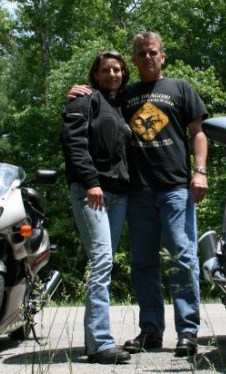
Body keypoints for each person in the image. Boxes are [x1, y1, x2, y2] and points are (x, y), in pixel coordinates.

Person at [68, 31, 209, 357]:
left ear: (163, 56)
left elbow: (198, 133)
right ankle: (151, 331)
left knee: (183, 259)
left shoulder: (180, 88)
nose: (147, 57)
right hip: (138, 192)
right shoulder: (125, 94)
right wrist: (78, 92)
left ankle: (188, 332)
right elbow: (96, 103)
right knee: (143, 264)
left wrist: (200, 172)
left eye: (153, 52)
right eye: (142, 53)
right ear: (134, 59)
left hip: (175, 188)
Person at [60, 50, 132, 364]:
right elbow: (73, 143)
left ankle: (94, 342)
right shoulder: (83, 100)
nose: (113, 74)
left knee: (103, 262)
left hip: (118, 194)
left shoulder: (122, 105)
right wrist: (91, 181)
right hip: (92, 192)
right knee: (102, 261)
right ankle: (101, 343)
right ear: (96, 74)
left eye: (117, 69)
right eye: (106, 70)